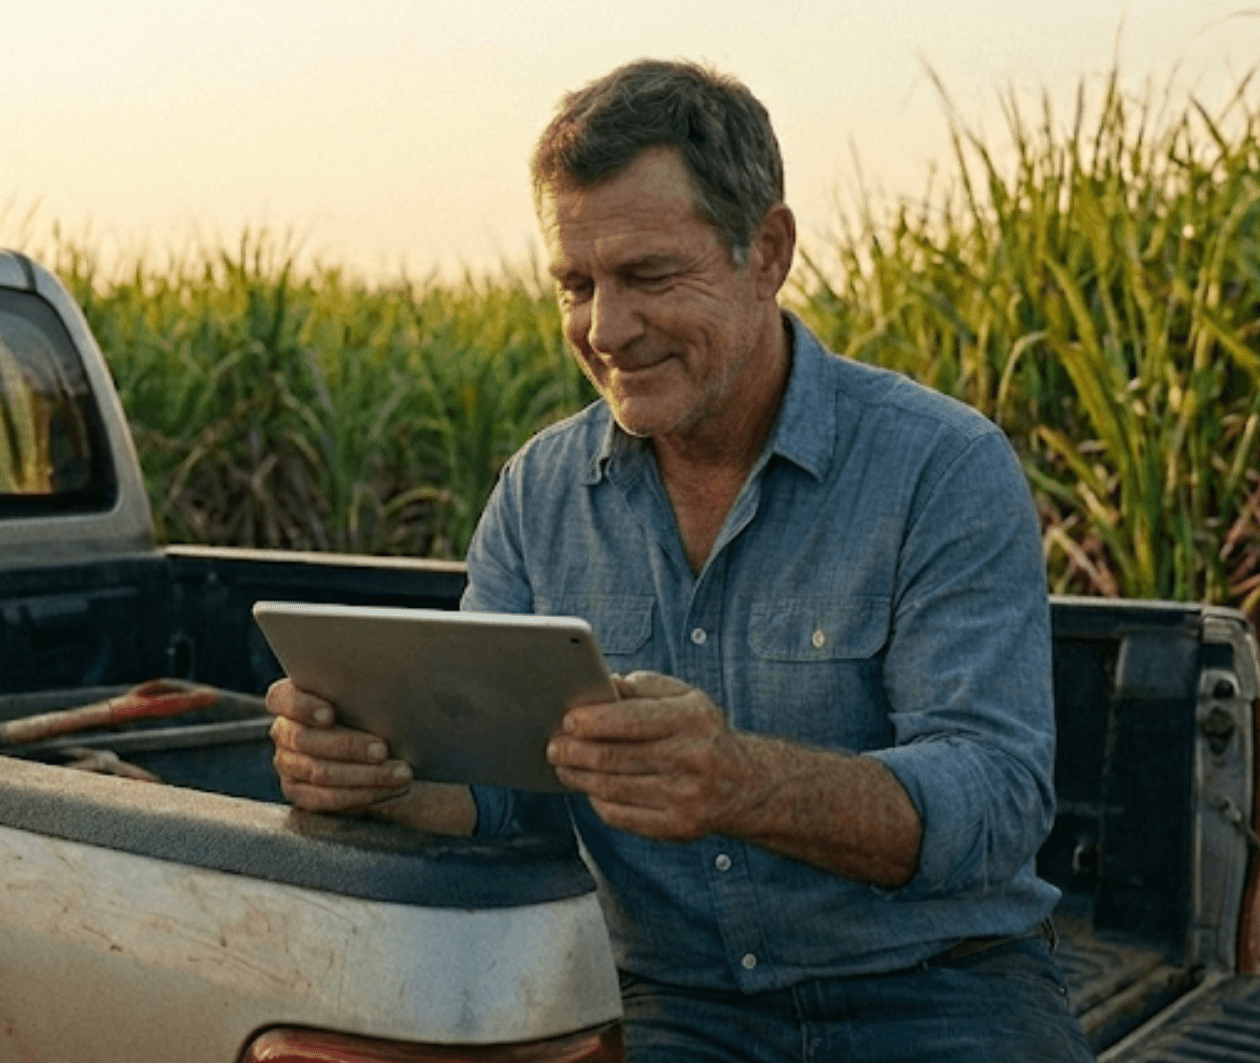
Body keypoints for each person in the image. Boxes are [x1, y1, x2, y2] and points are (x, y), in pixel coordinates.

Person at [265, 58, 1093, 1062]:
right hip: (678, 1010)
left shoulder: (941, 467)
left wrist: (743, 782)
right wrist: (380, 778)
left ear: (770, 250)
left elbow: (994, 799)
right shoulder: (538, 496)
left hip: (946, 993)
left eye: (651, 276)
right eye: (578, 284)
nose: (606, 329)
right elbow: (502, 795)